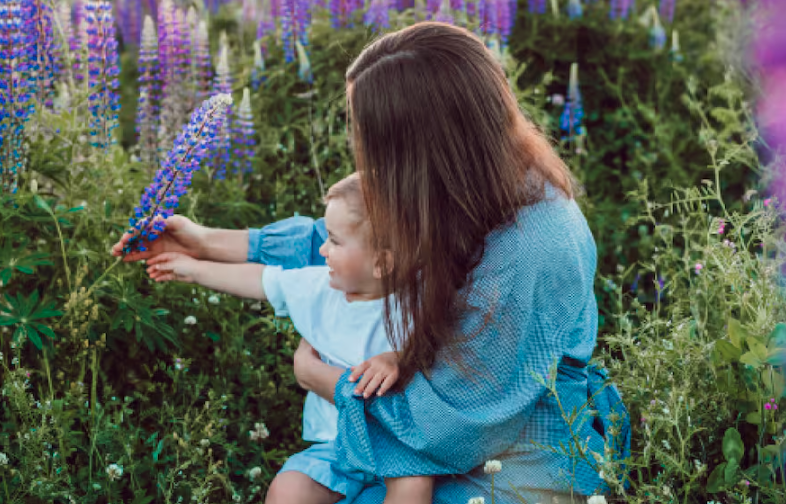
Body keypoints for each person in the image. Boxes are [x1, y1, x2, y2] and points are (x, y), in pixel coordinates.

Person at [113, 21, 629, 504]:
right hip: (443, 424)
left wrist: (325, 381)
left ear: (428, 146)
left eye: (375, 141)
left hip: (519, 457)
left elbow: (452, 427)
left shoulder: (531, 248)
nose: (367, 158)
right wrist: (202, 241)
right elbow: (349, 238)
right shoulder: (471, 186)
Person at [131, 174, 433, 504]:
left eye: (334, 240)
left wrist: (397, 357)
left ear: (381, 263)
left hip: (398, 446)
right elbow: (262, 281)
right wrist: (192, 269)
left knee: (414, 485)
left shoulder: (417, 302)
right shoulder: (320, 288)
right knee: (288, 490)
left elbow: (440, 347)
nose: (322, 249)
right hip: (336, 446)